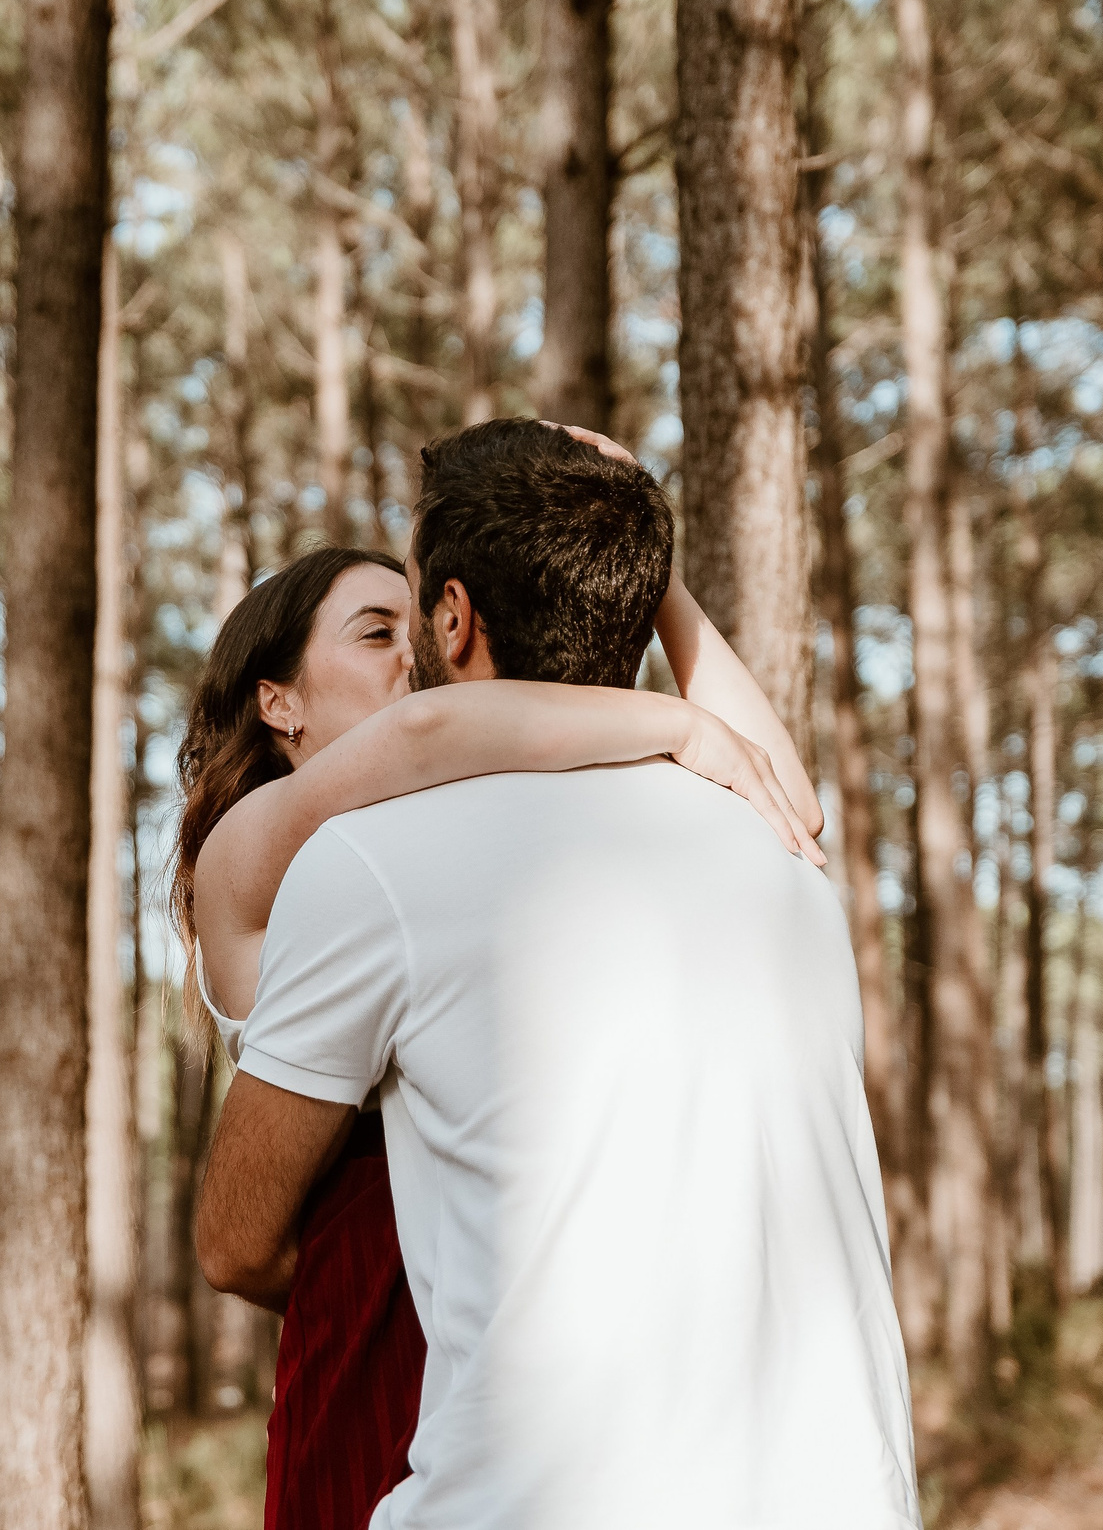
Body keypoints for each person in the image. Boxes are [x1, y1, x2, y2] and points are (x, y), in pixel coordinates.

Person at [195, 418, 919, 1529]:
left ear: (455, 619)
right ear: (277, 701)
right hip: (379, 1296)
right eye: (370, 631)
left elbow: (787, 800)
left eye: (413, 622)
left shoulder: (430, 822)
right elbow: (432, 733)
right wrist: (672, 716)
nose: (404, 659)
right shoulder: (269, 846)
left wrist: (645, 572)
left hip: (484, 1293)